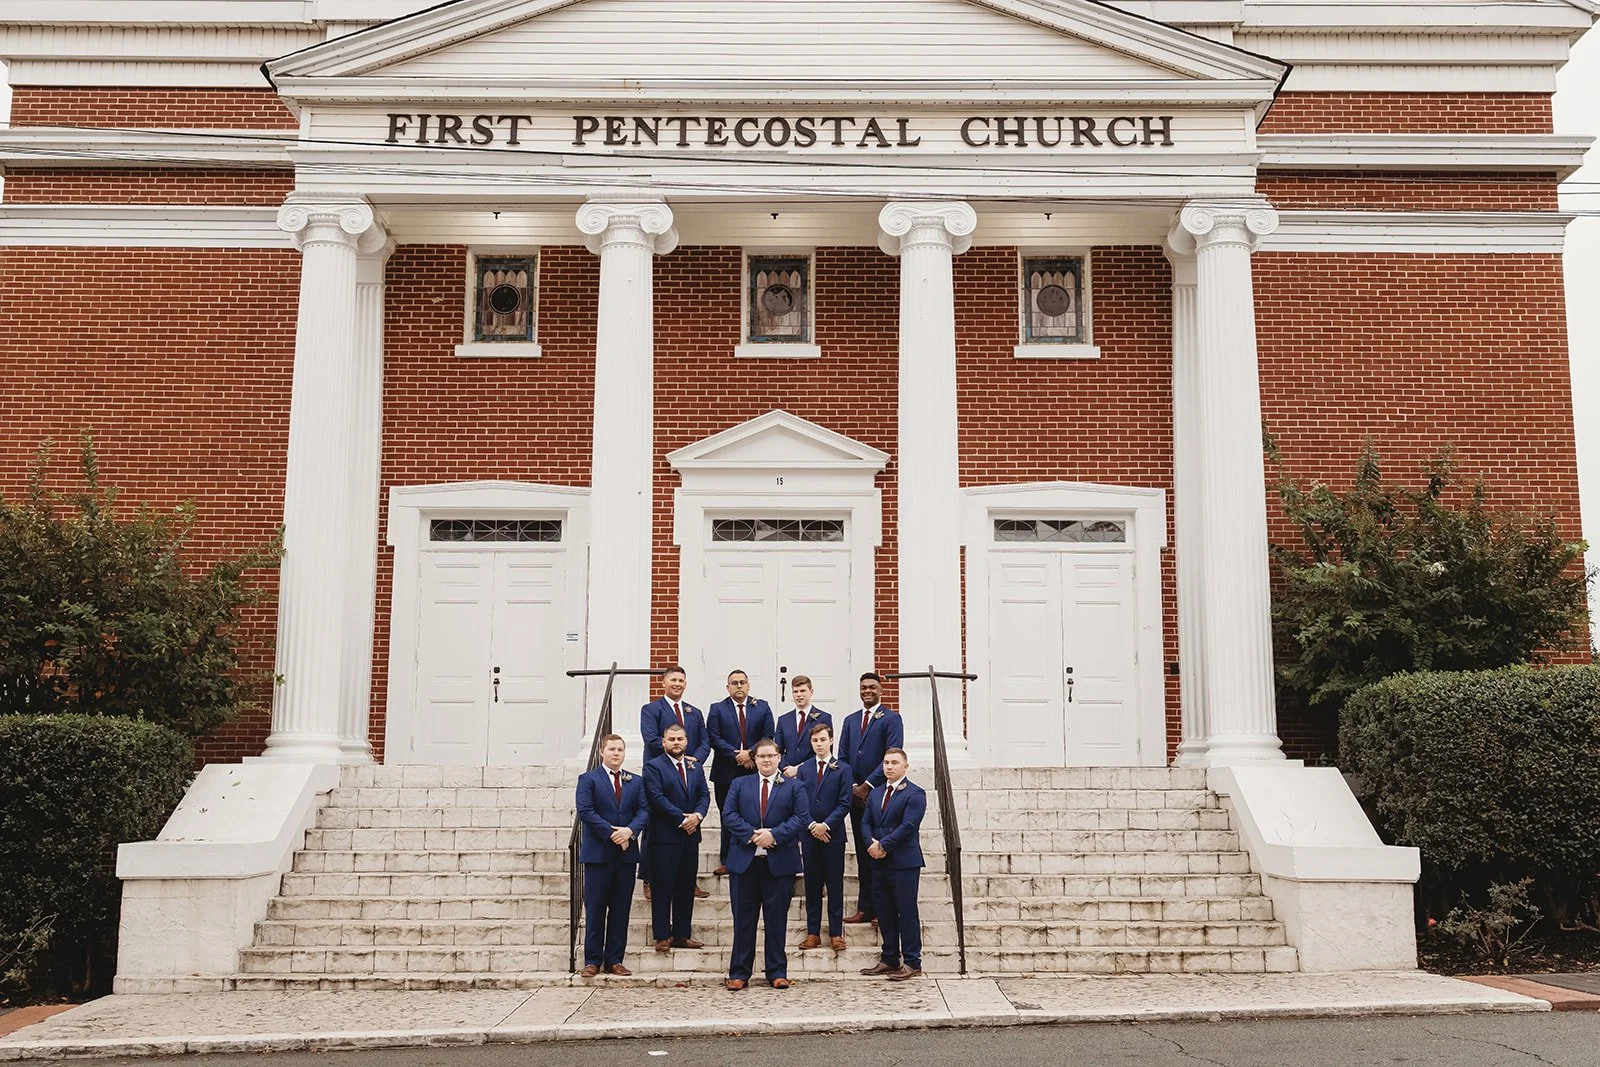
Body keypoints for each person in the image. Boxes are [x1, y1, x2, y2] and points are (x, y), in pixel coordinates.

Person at [721, 737, 809, 990]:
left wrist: (775, 835)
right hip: (744, 863)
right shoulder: (739, 784)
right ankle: (739, 973)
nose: (767, 760)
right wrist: (752, 835)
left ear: (779, 758)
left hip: (779, 864)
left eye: (771, 755)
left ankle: (777, 972)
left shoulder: (794, 786)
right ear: (755, 759)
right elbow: (729, 815)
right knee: (743, 921)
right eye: (762, 756)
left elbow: (801, 817)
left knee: (776, 921)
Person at [574, 733, 648, 977]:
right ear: (601, 752)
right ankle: (592, 960)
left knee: (620, 909)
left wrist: (630, 831)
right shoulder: (588, 779)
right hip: (598, 855)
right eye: (612, 749)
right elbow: (586, 811)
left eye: (620, 749)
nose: (616, 753)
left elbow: (643, 811)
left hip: (626, 855)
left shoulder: (635, 781)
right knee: (595, 909)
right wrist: (612, 833)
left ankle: (615, 960)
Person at [638, 665, 710, 901]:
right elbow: (651, 739)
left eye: (681, 680)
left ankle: (688, 880)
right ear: (664, 683)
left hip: (688, 774)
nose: (677, 684)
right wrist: (676, 755)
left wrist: (694, 760)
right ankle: (649, 879)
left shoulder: (694, 712)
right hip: (660, 773)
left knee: (689, 826)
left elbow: (704, 741)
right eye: (673, 680)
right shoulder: (651, 709)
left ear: (685, 684)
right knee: (654, 826)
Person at [837, 671, 903, 925]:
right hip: (856, 796)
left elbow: (892, 754)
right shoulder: (850, 720)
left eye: (872, 687)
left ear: (880, 690)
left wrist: (867, 784)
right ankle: (866, 907)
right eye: (863, 687)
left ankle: (886, 909)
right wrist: (854, 785)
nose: (867, 691)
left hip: (880, 795)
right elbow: (842, 757)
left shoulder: (891, 719)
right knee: (864, 851)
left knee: (883, 850)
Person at [643, 722, 711, 952]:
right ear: (663, 742)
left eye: (680, 739)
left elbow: (704, 795)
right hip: (664, 837)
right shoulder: (653, 767)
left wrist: (698, 816)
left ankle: (682, 934)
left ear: (686, 741)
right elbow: (656, 798)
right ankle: (662, 935)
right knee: (662, 887)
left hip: (690, 837)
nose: (676, 743)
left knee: (685, 886)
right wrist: (682, 820)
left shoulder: (695, 766)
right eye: (671, 739)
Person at [860, 747, 926, 981]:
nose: (889, 766)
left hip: (904, 862)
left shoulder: (915, 793)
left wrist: (883, 845)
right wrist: (870, 843)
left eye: (894, 763)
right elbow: (865, 822)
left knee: (906, 912)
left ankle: (912, 962)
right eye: (886, 762)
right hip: (879, 862)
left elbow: (908, 826)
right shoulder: (876, 793)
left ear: (905, 767)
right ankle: (889, 958)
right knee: (884, 911)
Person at [706, 668, 774, 876]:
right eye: (734, 683)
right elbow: (713, 737)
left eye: (742, 682)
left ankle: (755, 854)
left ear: (748, 685)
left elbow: (768, 735)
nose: (738, 686)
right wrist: (738, 755)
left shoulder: (762, 707)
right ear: (727, 687)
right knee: (728, 816)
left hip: (754, 770)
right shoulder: (717, 709)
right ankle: (727, 860)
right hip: (726, 772)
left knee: (755, 813)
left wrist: (751, 754)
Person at [796, 721, 852, 952]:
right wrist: (812, 826)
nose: (819, 744)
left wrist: (826, 826)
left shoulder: (843, 769)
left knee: (834, 884)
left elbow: (845, 802)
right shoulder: (804, 769)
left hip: (833, 835)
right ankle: (813, 932)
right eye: (815, 740)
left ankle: (836, 933)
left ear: (831, 741)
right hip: (809, 835)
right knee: (812, 884)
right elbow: (798, 801)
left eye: (823, 740)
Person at [775, 674, 833, 777]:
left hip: (813, 774)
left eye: (802, 691)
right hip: (788, 774)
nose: (799, 695)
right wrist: (785, 769)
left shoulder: (824, 718)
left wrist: (799, 769)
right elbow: (777, 750)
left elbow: (826, 751)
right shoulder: (783, 720)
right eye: (795, 691)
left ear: (811, 692)